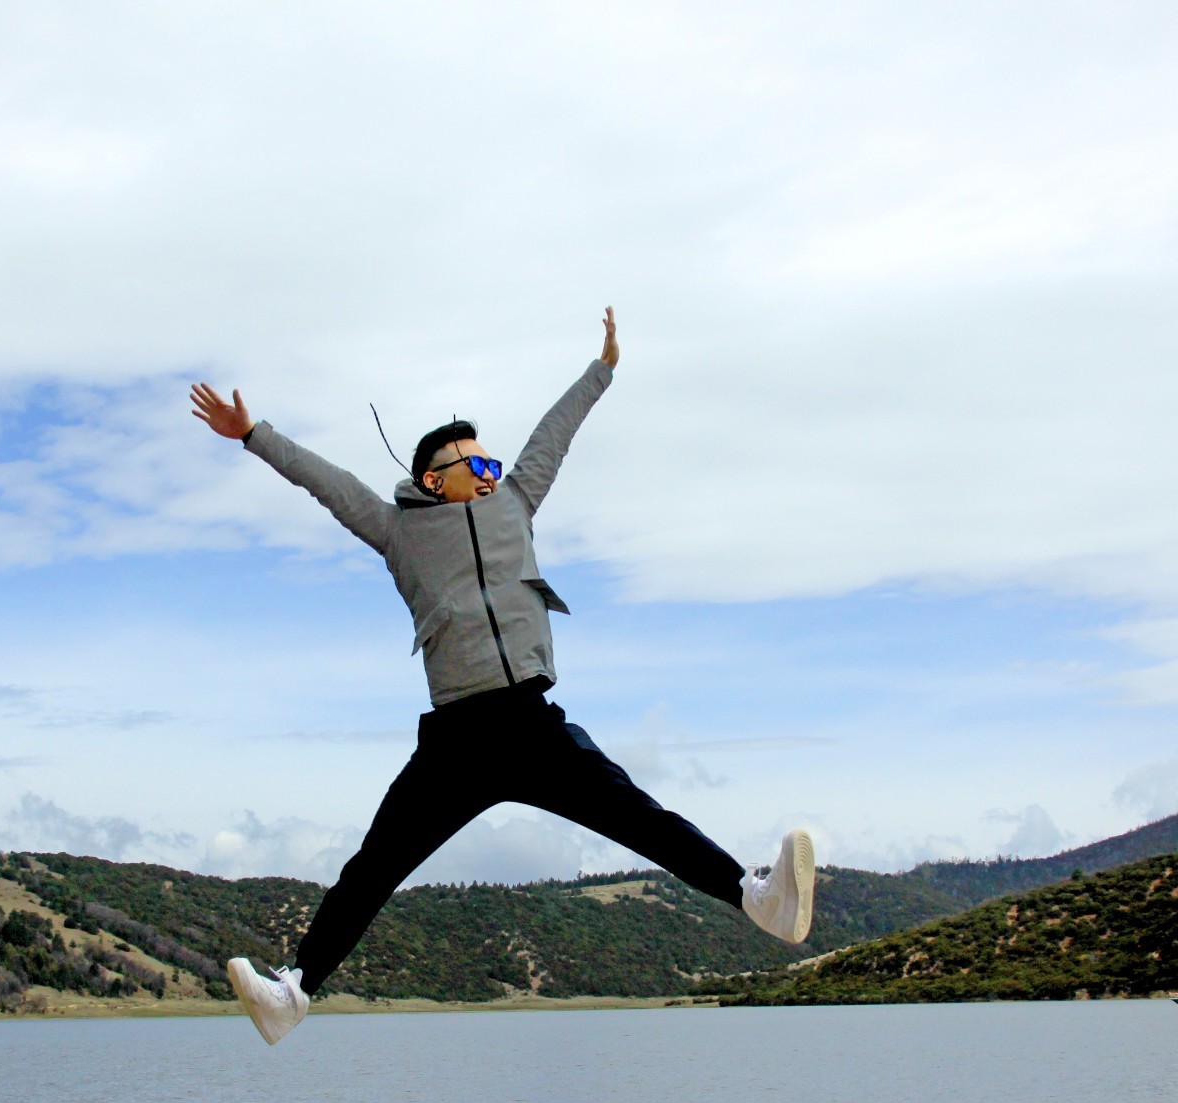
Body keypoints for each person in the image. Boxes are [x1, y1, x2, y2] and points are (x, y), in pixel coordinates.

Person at [189, 308, 815, 1044]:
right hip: (456, 738)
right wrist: (254, 435)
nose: (491, 475)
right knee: (376, 864)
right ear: (432, 478)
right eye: (475, 467)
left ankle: (757, 898)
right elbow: (327, 483)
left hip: (531, 723)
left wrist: (602, 368)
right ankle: (293, 992)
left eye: (493, 465)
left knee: (643, 818)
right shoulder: (398, 531)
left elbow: (556, 432)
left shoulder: (517, 501)